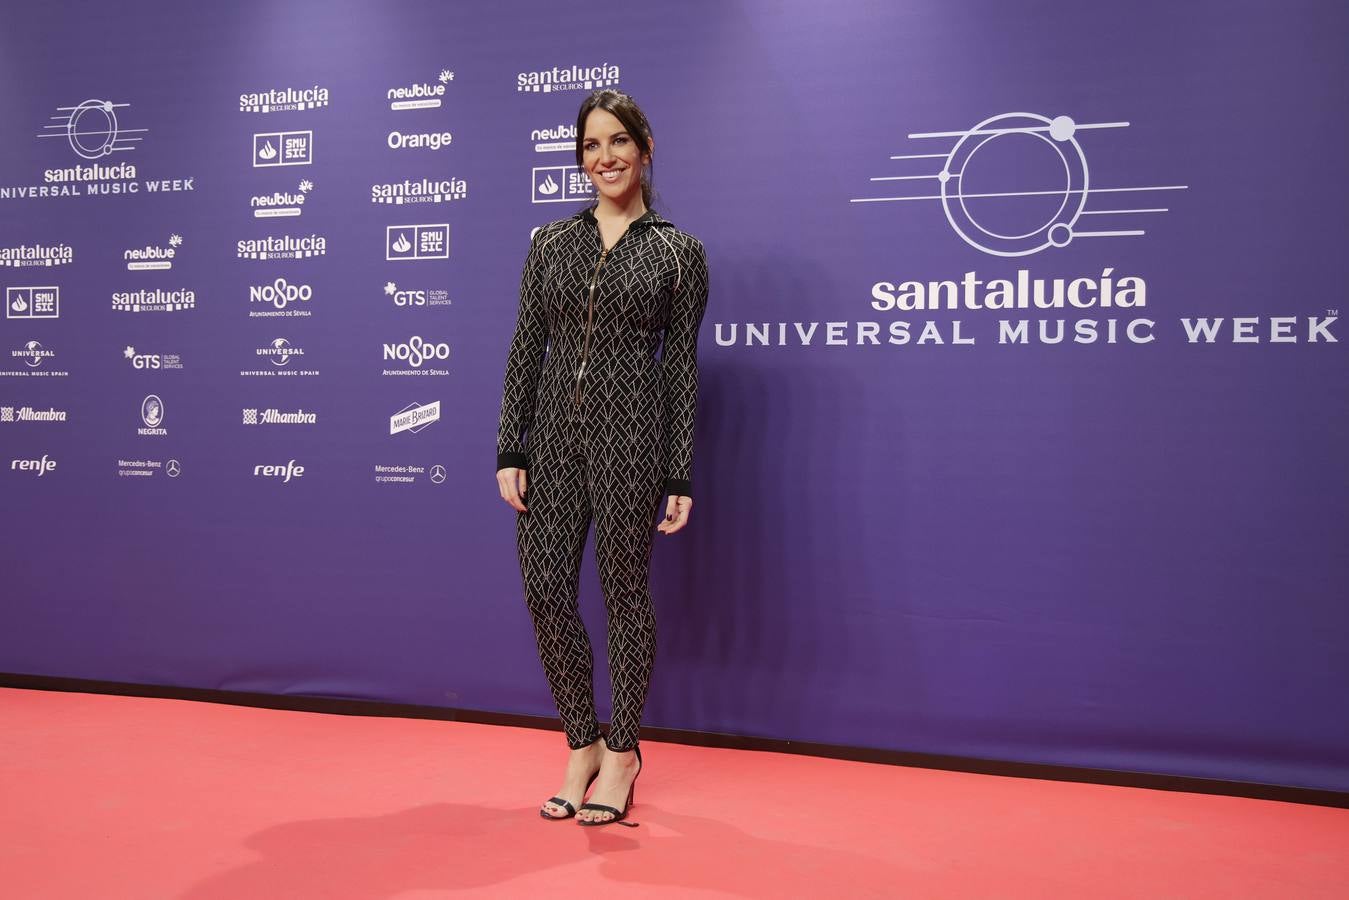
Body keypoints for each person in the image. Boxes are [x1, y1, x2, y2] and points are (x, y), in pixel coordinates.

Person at [495, 89, 709, 827]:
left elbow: (679, 368)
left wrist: (679, 468)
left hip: (633, 445)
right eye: (590, 145)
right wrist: (510, 445)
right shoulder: (549, 243)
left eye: (618, 141)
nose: (604, 157)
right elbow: (527, 348)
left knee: (624, 597)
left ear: (644, 149)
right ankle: (580, 740)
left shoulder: (679, 253)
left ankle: (623, 754)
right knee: (545, 589)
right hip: (551, 443)